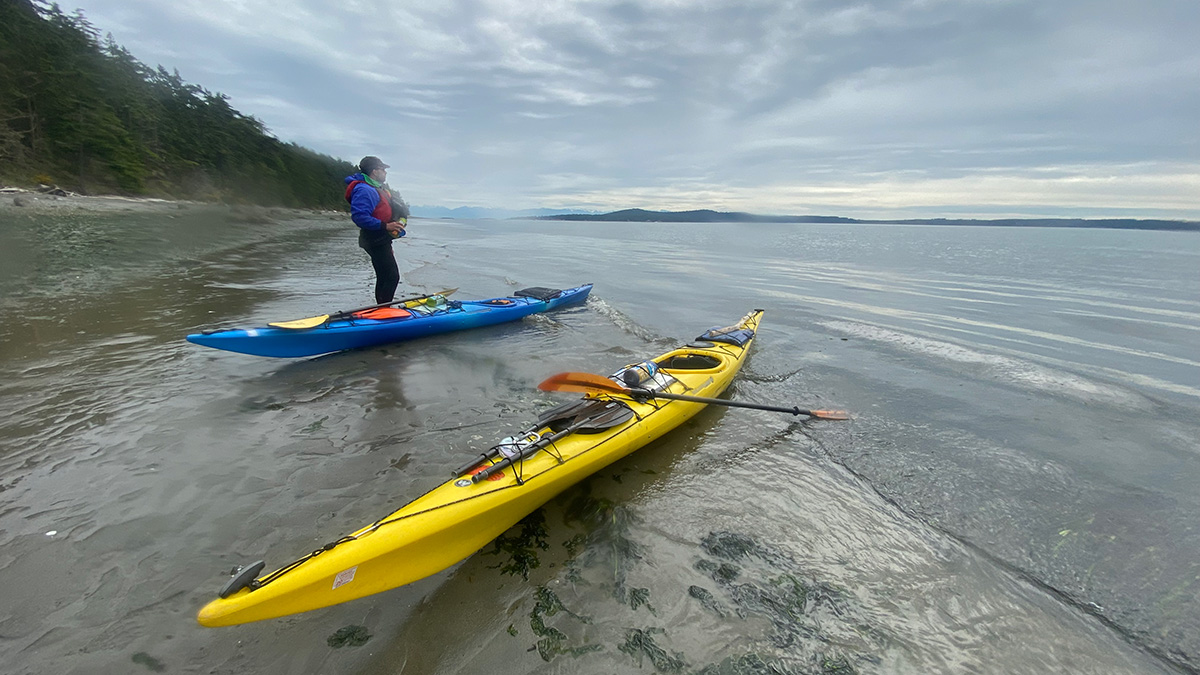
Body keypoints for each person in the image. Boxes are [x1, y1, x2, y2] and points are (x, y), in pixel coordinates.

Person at [344, 156, 410, 304]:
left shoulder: (374, 187)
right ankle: (383, 311)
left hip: (380, 239)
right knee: (391, 276)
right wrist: (386, 226)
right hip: (374, 238)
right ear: (374, 171)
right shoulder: (364, 189)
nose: (385, 173)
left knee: (384, 275)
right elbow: (359, 217)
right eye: (383, 170)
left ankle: (381, 309)